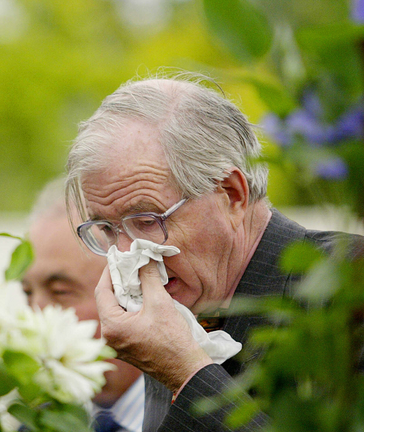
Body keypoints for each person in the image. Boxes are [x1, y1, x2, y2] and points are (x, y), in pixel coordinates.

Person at [63, 72, 364, 432]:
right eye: (107, 229)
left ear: (232, 194)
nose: (129, 254)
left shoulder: (353, 282)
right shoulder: (177, 309)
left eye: (146, 220)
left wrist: (187, 371)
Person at [21, 178, 146, 432]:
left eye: (60, 292)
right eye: (27, 293)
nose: (35, 315)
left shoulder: (207, 411)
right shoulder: (38, 423)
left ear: (132, 292)